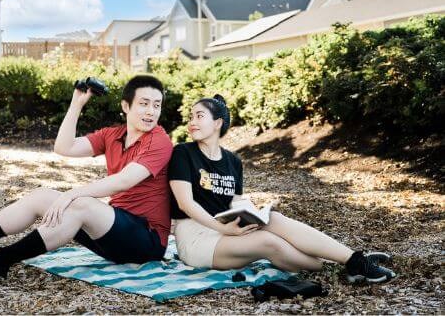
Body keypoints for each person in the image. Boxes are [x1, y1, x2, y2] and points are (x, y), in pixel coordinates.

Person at [0, 75, 174, 279]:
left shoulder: (159, 140)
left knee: (80, 204)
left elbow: (124, 181)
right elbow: (64, 148)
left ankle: (0, 260)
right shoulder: (113, 135)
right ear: (126, 106)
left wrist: (72, 194)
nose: (151, 111)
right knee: (41, 196)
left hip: (146, 241)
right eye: (144, 103)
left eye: (156, 104)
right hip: (114, 234)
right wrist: (77, 103)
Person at [168, 95, 396, 283]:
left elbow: (235, 201)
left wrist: (251, 214)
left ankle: (353, 260)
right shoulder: (183, 153)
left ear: (217, 123)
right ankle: (343, 264)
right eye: (191, 117)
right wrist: (225, 229)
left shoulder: (232, 161)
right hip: (197, 238)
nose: (192, 122)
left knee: (273, 219)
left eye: (199, 116)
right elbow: (185, 204)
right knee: (269, 242)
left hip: (225, 228)